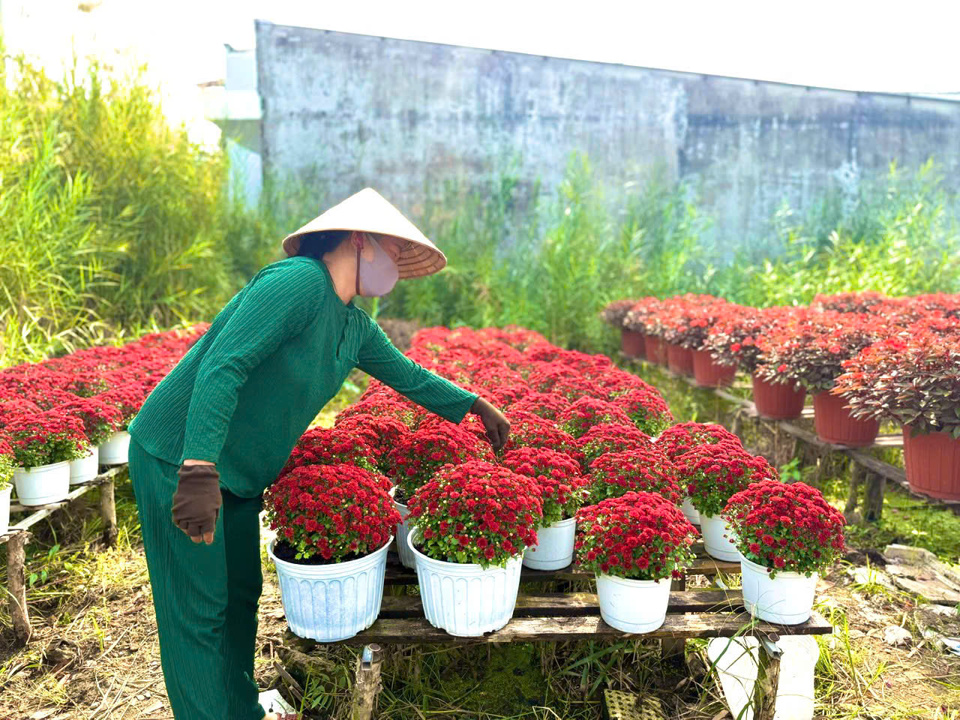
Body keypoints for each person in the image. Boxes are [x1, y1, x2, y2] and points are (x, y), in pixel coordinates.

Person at [126, 188, 511, 720]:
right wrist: (196, 468)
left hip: (236, 474)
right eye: (393, 249)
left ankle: (239, 710)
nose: (397, 262)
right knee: (197, 612)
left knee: (239, 598)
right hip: (180, 454)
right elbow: (222, 366)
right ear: (359, 240)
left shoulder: (353, 326)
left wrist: (474, 405)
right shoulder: (297, 283)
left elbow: (409, 376)